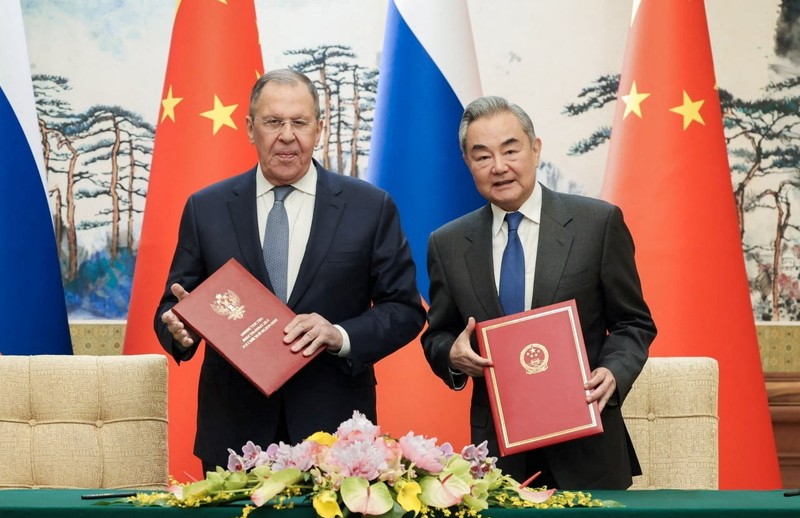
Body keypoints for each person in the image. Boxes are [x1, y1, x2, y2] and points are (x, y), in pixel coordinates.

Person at [155, 68, 426, 472]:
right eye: (272, 122)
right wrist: (179, 330)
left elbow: (405, 310)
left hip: (336, 437)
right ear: (250, 128)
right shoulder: (206, 208)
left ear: (319, 129)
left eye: (299, 122)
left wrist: (341, 334)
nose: (286, 135)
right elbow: (172, 309)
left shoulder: (370, 208)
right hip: (234, 434)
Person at [422, 95, 656, 490]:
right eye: (482, 157)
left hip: (588, 445)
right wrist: (452, 354)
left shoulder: (597, 224)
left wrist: (614, 372)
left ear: (535, 149)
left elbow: (634, 322)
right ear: (468, 164)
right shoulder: (447, 244)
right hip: (497, 454)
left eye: (510, 150)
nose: (499, 166)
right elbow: (438, 335)